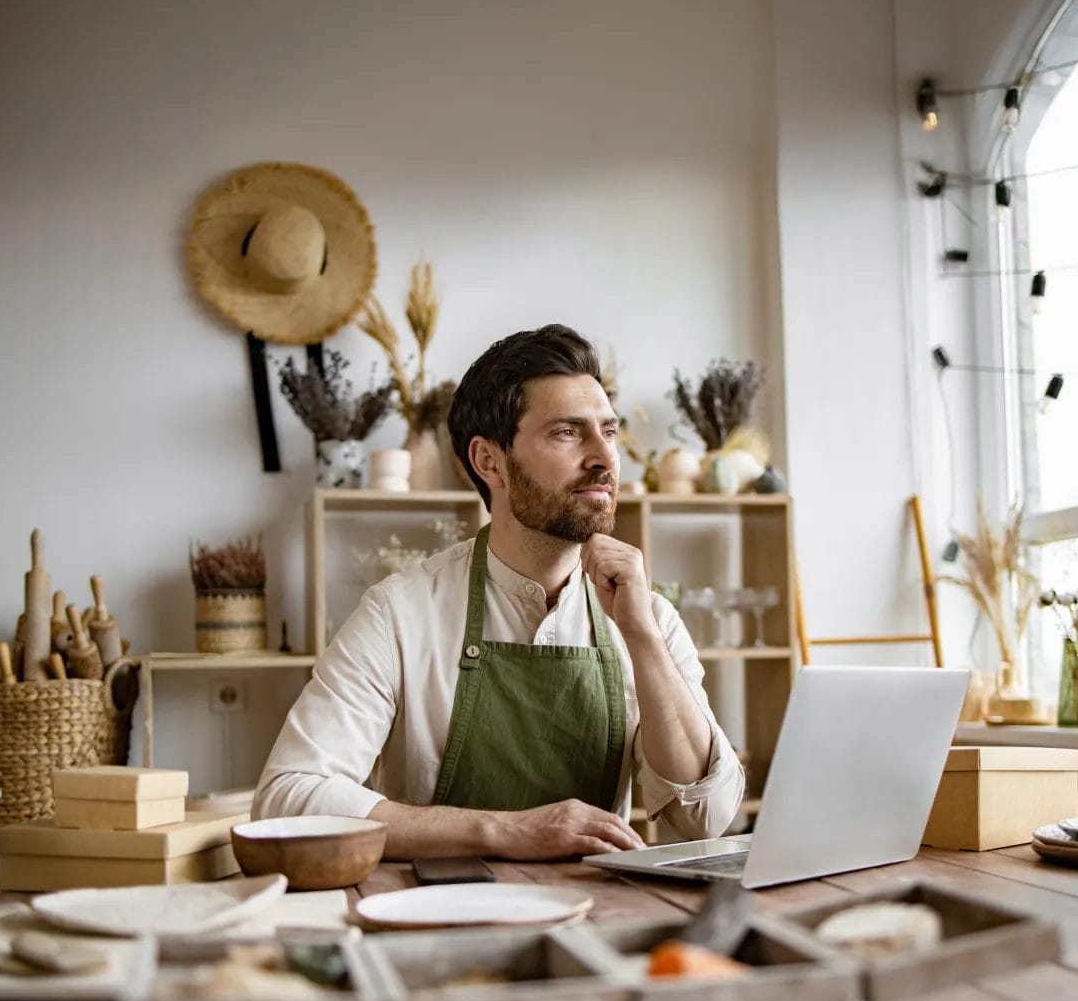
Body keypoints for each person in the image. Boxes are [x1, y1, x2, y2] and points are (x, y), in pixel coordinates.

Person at [254, 324, 744, 859]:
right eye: (567, 432)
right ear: (490, 462)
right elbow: (286, 798)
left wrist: (643, 638)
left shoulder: (647, 617)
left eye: (610, 430)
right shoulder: (400, 613)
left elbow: (707, 820)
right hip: (436, 922)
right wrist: (502, 831)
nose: (604, 457)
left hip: (593, 914)